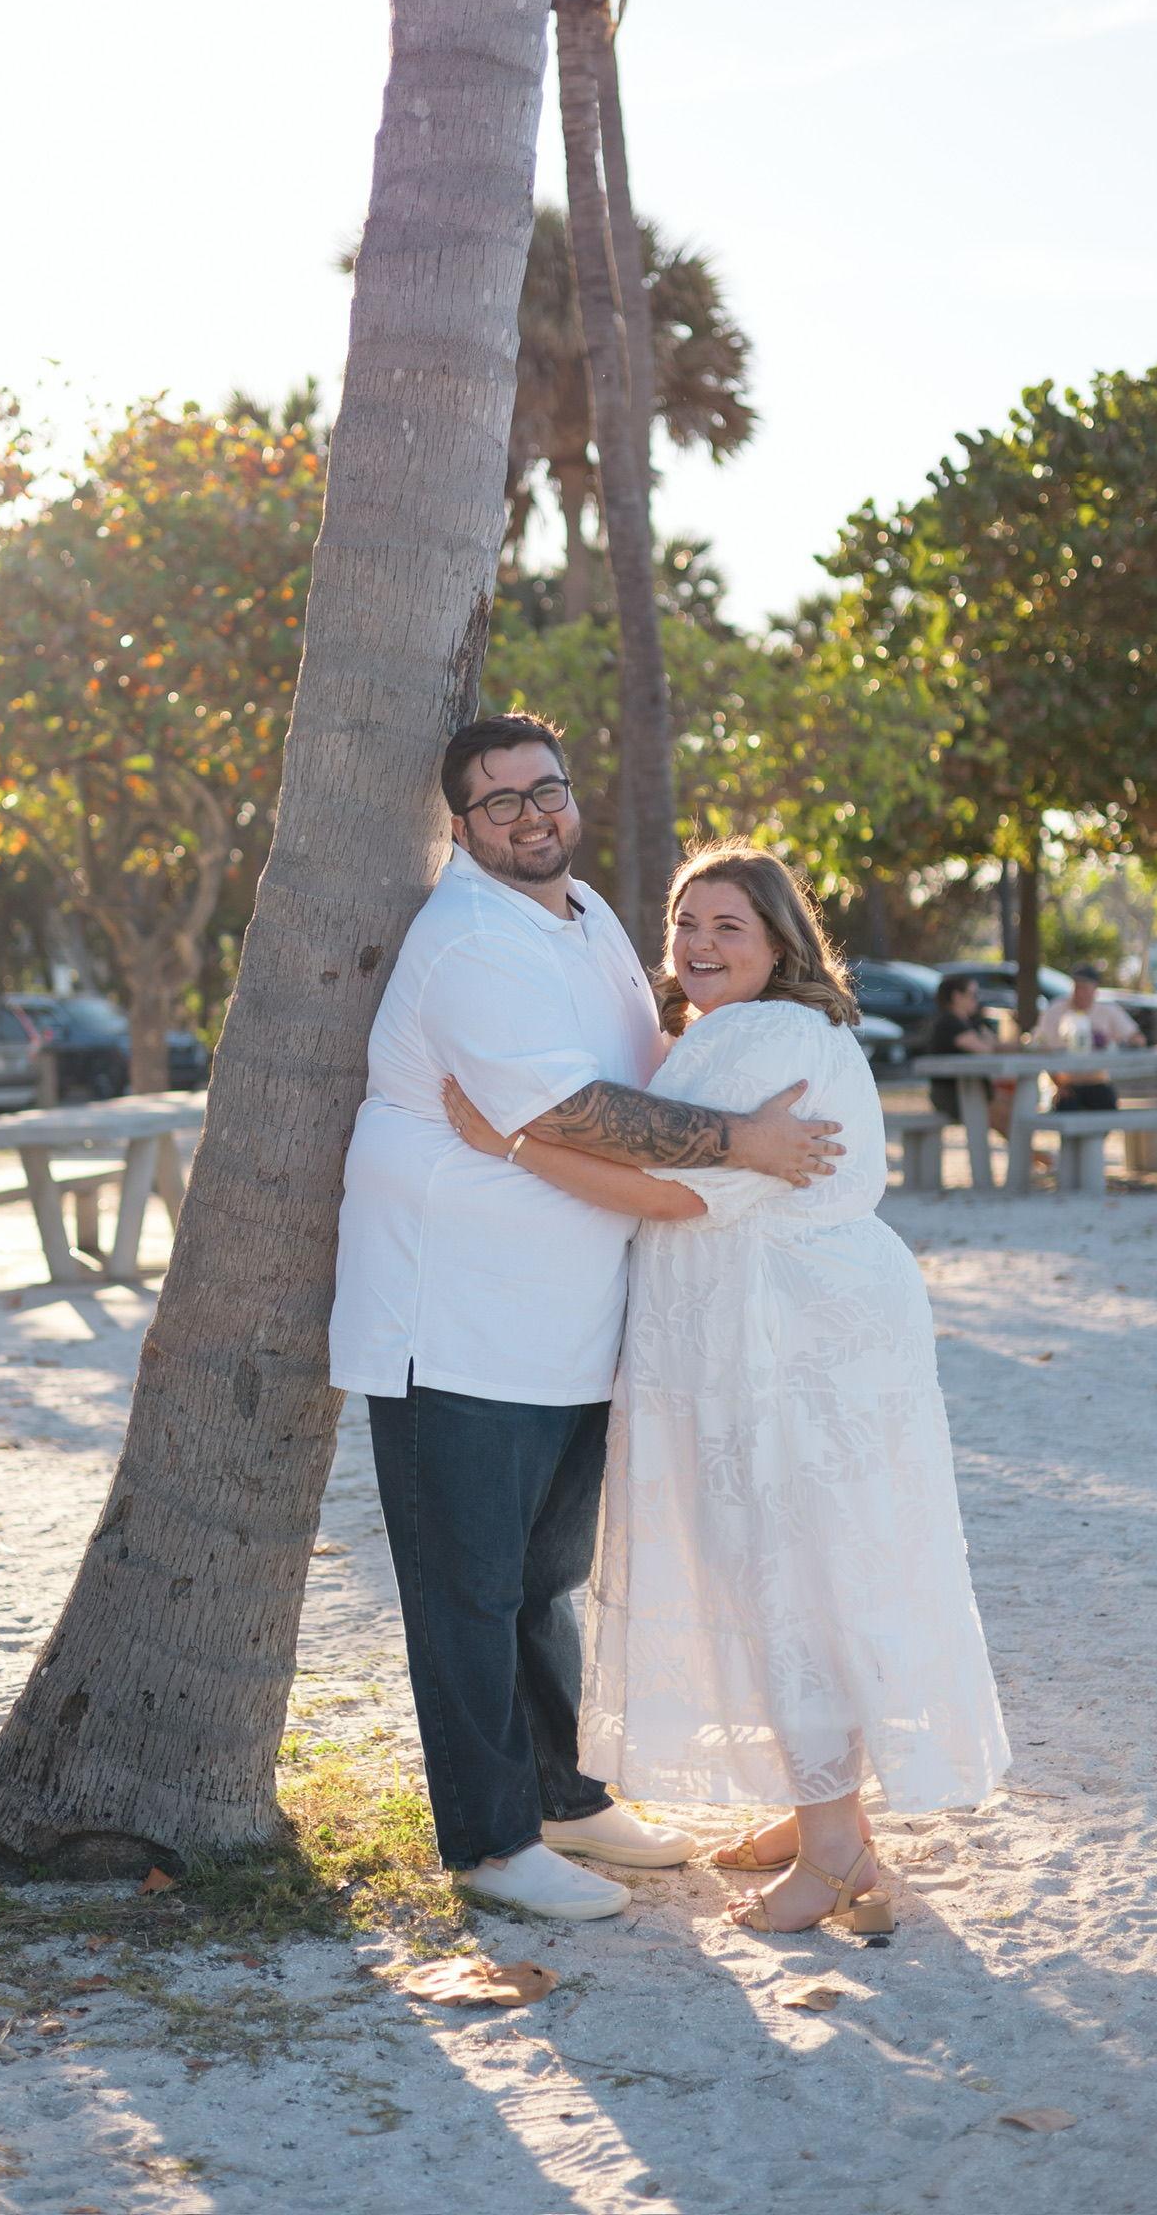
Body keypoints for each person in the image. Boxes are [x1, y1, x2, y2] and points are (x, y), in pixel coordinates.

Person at [328, 714, 846, 1925]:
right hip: (454, 1318)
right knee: (467, 1593)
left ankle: (564, 1798)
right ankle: (492, 1844)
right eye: (498, 800)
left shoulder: (590, 913)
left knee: (543, 1576)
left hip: (575, 1316)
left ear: (570, 795)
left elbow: (648, 1055)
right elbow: (570, 1111)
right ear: (462, 825)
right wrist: (744, 1141)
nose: (530, 815)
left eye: (544, 789)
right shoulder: (468, 941)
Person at [440, 842, 1009, 1937]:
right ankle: (826, 1815)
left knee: (781, 1575)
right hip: (797, 1327)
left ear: (781, 942)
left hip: (780, 1340)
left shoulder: (760, 1038)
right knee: (807, 1568)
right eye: (686, 924)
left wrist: (507, 1143)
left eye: (728, 927)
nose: (699, 945)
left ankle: (835, 1853)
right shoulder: (749, 1032)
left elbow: (671, 1194)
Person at [1033, 962, 1146, 1112]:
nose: (1080, 993)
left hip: (1096, 1081)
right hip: (1064, 1083)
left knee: (1107, 1106)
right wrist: (1058, 1084)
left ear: (1095, 990)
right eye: (1077, 987)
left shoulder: (1107, 1010)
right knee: (1066, 1107)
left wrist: (1120, 1043)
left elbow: (1137, 1038)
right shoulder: (1056, 1010)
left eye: (1085, 988)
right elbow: (1040, 1045)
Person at [922, 972, 1016, 1139]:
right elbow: (985, 1049)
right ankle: (1034, 1154)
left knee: (1014, 1107)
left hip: (975, 1091)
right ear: (957, 997)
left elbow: (994, 1044)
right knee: (1007, 1116)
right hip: (954, 1095)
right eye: (973, 995)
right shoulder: (949, 1023)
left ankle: (1033, 1153)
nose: (977, 1000)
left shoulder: (969, 1022)